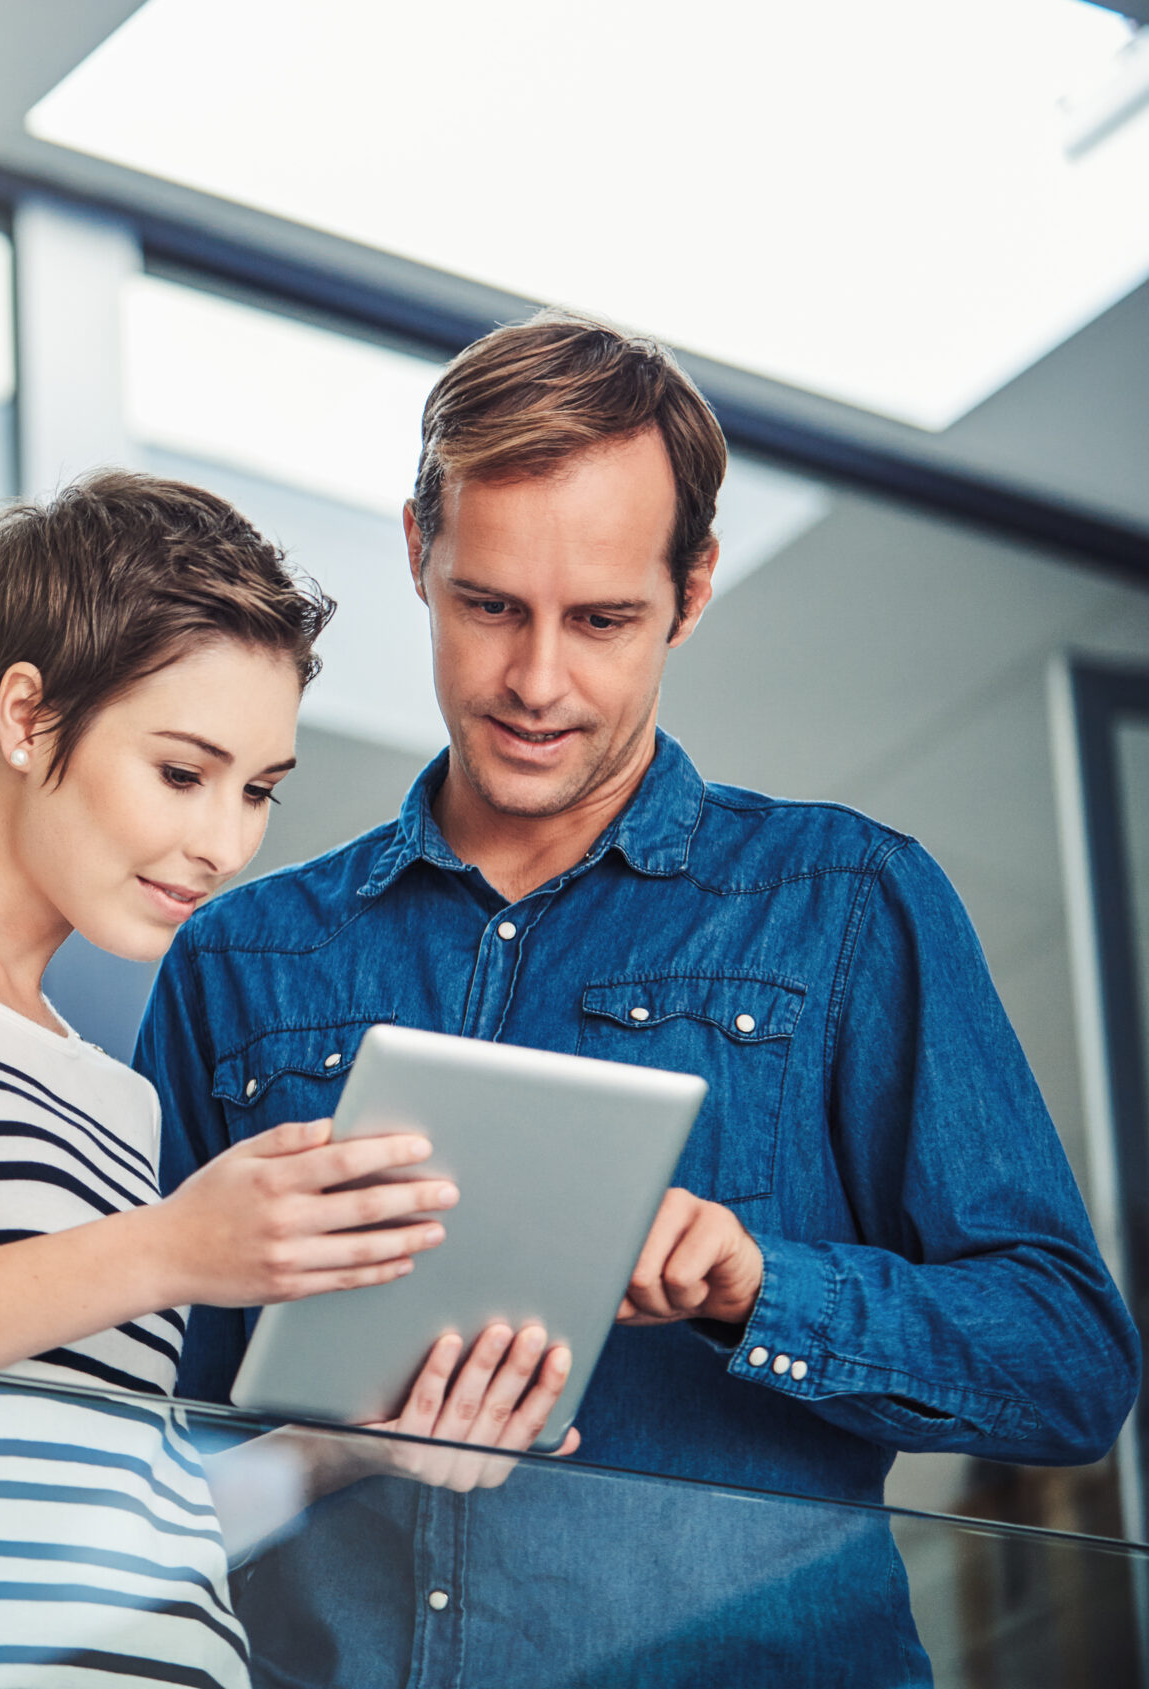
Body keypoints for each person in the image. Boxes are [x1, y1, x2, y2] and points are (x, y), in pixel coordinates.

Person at [135, 311, 1144, 1688]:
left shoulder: (844, 904)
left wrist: (760, 1283)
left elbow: (1069, 1364)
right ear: (419, 550)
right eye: (490, 605)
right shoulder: (242, 959)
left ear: (694, 588)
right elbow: (149, 1453)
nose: (537, 682)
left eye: (602, 620)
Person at [0, 471, 570, 1689]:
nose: (224, 844)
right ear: (27, 717)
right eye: (183, 773)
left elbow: (120, 1524)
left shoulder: (114, 1098)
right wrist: (172, 1252)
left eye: (257, 792)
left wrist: (351, 1449)